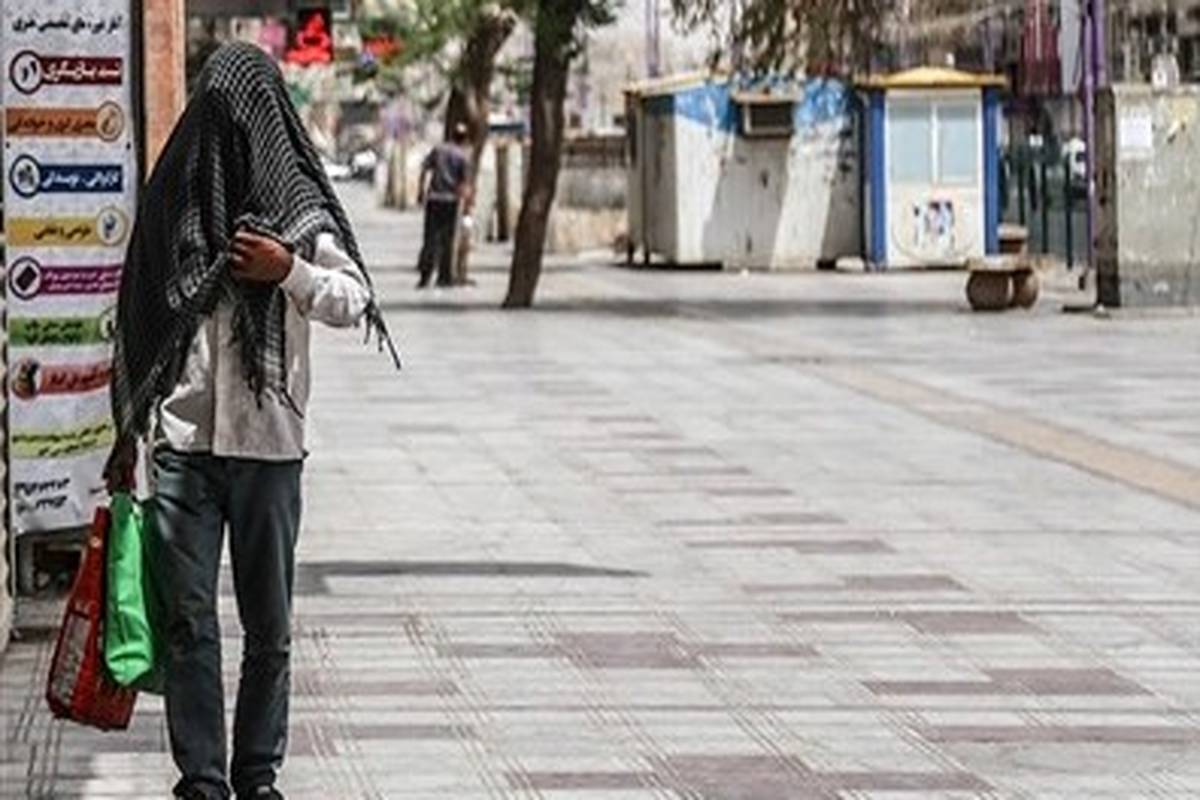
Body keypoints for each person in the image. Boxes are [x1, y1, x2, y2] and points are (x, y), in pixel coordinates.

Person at [104, 43, 397, 800]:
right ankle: (202, 779)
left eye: (249, 110)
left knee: (270, 630)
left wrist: (286, 270)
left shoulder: (296, 206)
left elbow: (354, 298)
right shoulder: (174, 203)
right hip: (185, 446)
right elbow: (137, 313)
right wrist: (127, 430)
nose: (235, 125)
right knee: (189, 622)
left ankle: (257, 775)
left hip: (271, 446)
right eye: (220, 110)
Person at [415, 122, 472, 288]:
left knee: (430, 238)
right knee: (447, 240)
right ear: (464, 139)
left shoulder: (438, 150)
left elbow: (424, 168)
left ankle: (425, 275)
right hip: (450, 202)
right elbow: (464, 184)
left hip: (434, 200)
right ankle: (444, 277)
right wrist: (467, 206)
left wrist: (421, 191)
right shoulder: (462, 157)